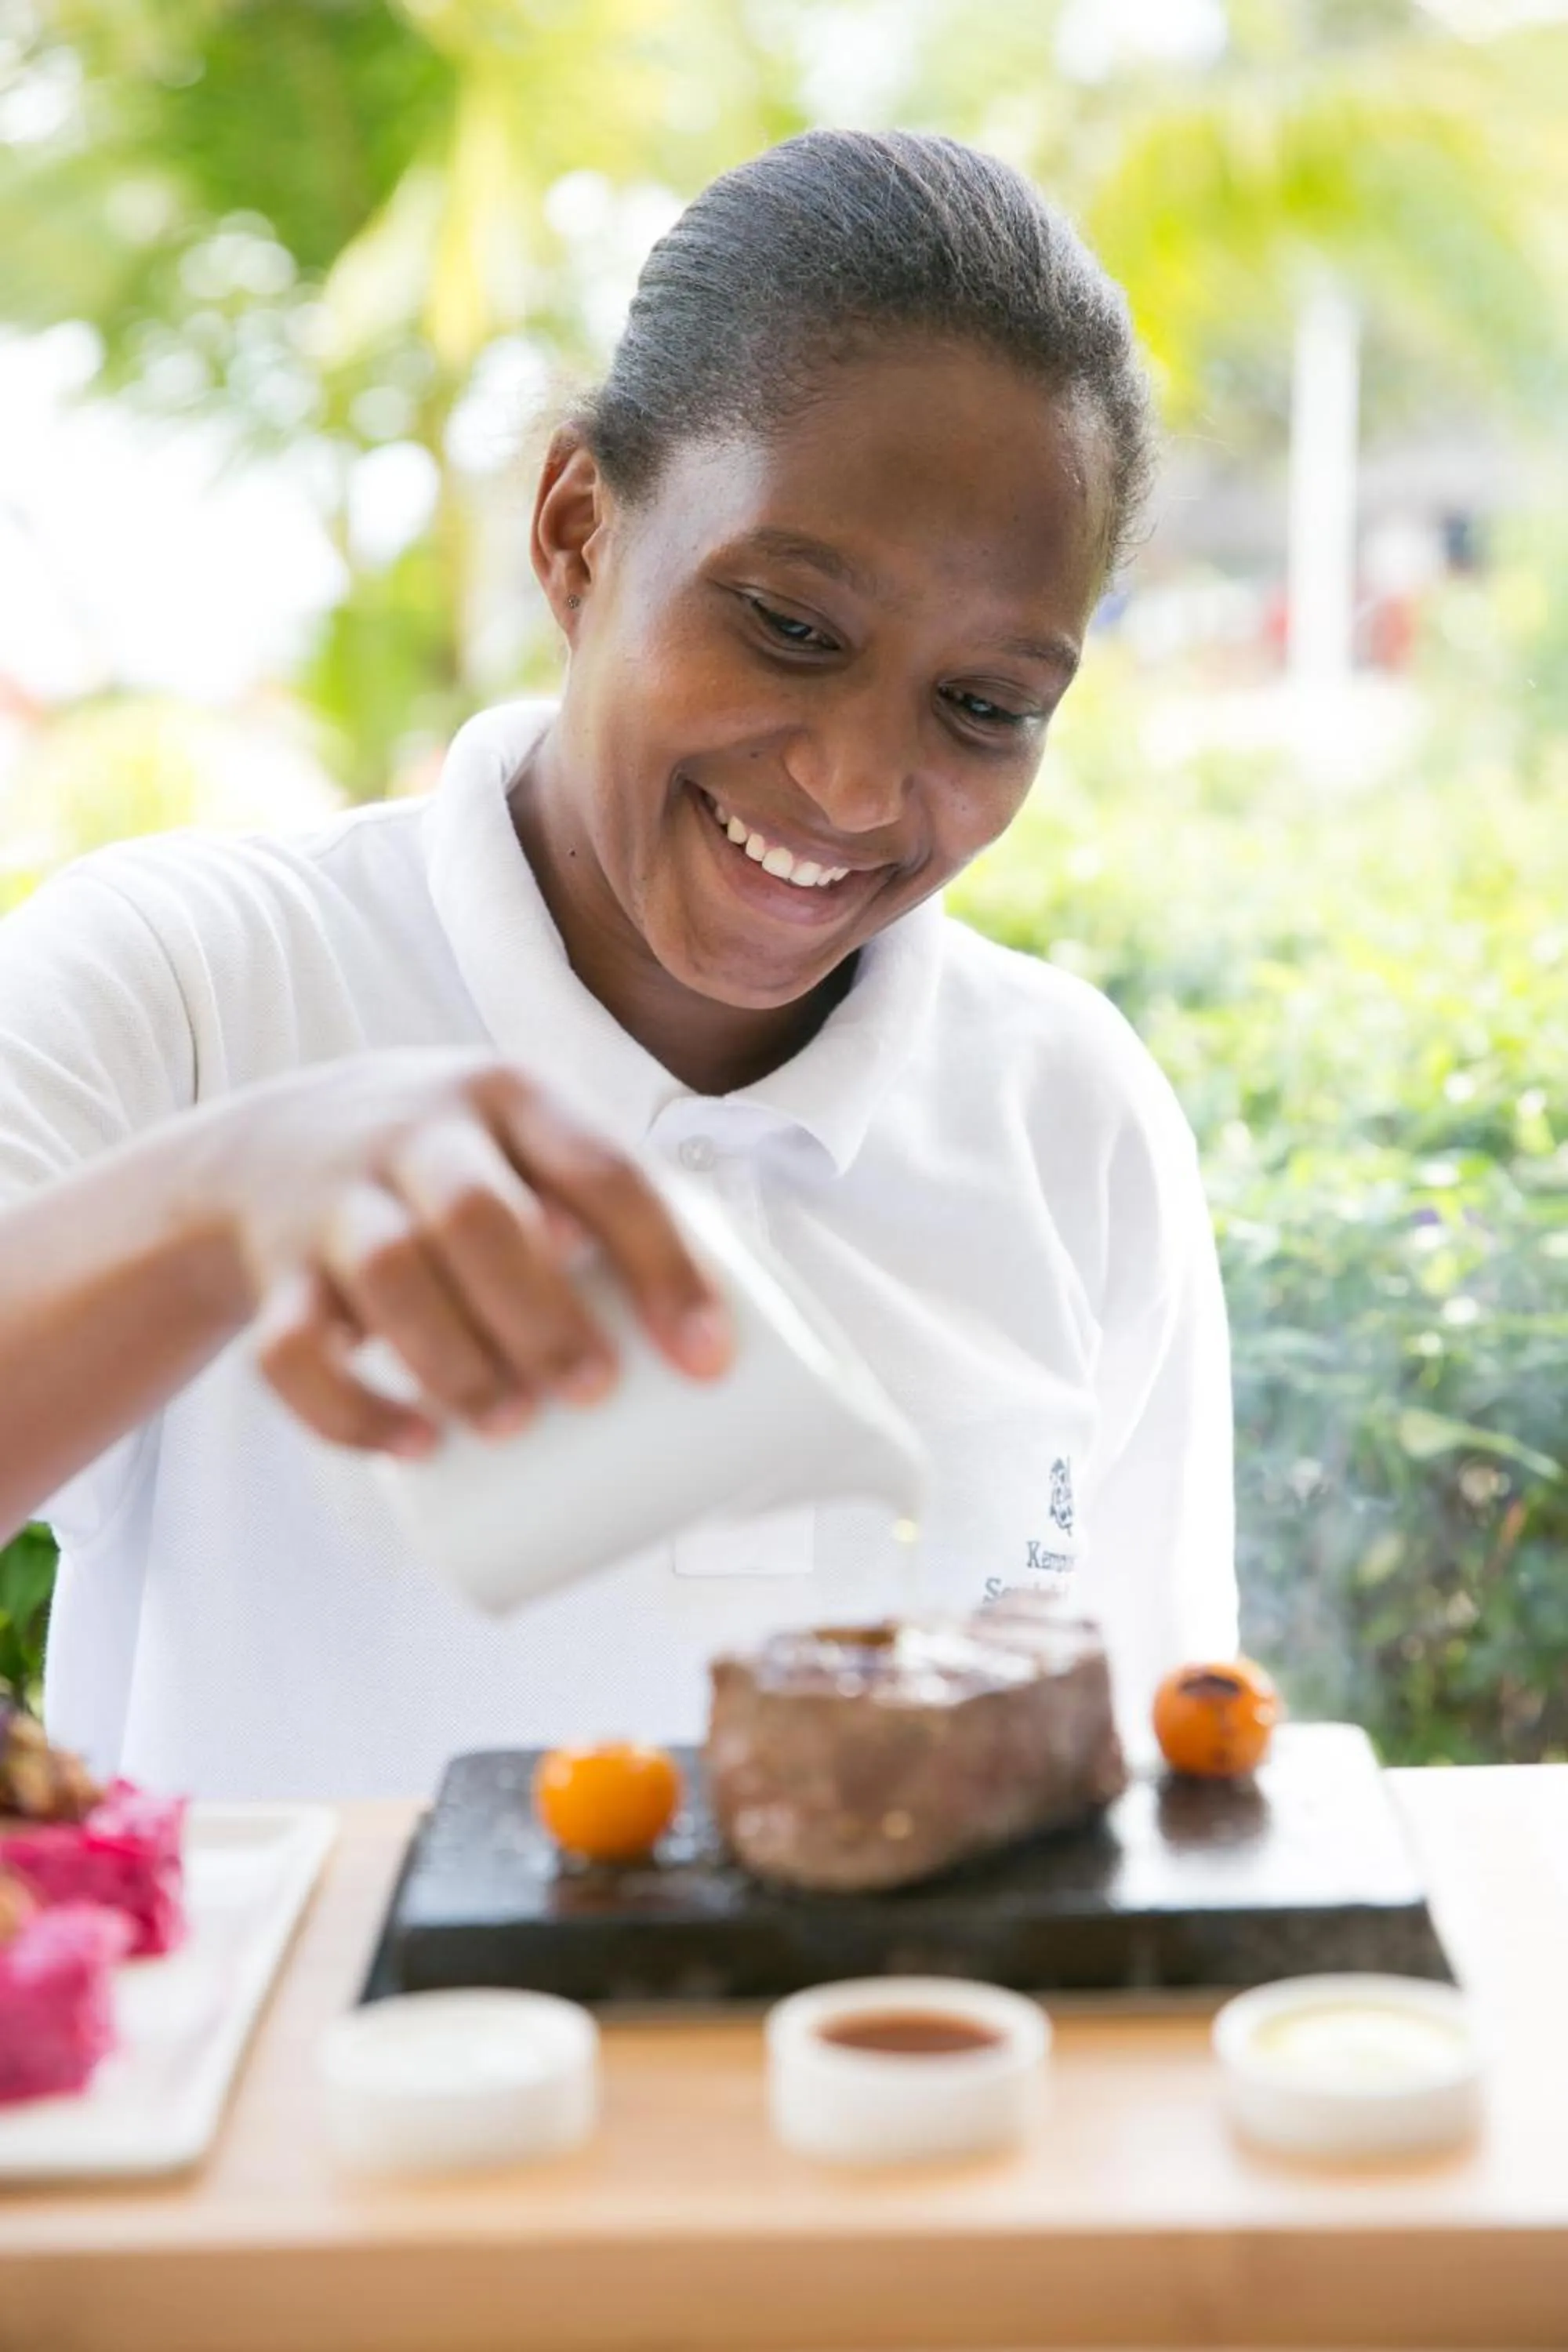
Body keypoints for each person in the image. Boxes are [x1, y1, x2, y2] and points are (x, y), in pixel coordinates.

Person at [0, 130, 1236, 1801]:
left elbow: (1156, 1762)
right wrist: (237, 1192)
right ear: (578, 528)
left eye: (986, 706)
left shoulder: (1066, 1111)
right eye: (788, 626)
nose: (859, 787)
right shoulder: (186, 984)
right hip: (300, 2068)